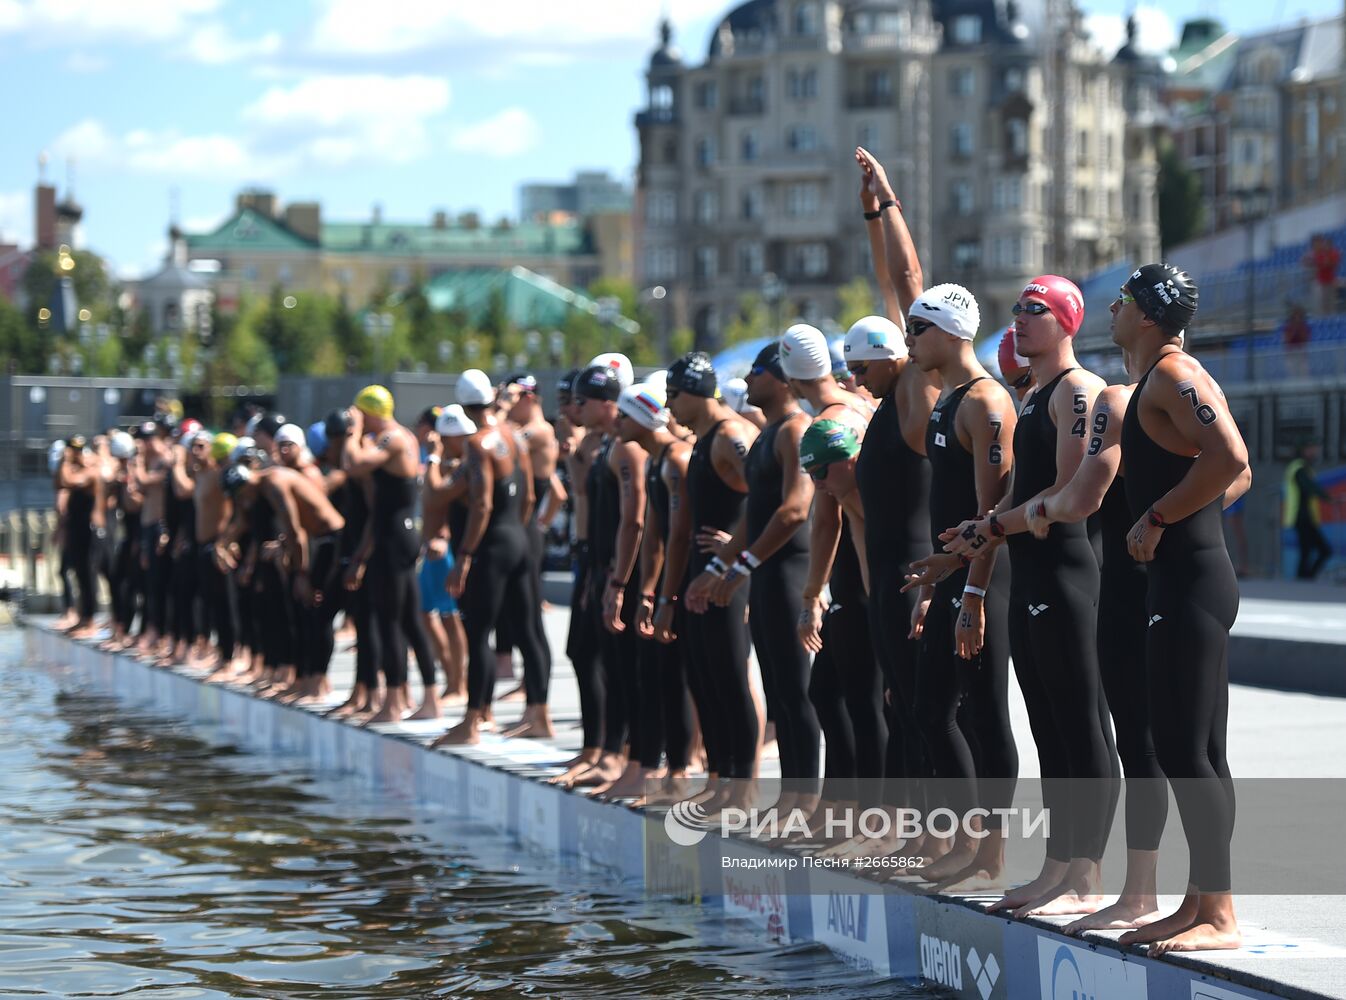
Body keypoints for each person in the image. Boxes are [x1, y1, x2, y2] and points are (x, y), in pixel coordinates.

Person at [947, 275, 1119, 917]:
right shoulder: (1036, 395)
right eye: (1016, 308)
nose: (1019, 318)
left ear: (1067, 321)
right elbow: (1025, 501)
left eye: (1035, 309)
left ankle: (1087, 871)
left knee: (1081, 727)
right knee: (1047, 728)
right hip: (1035, 576)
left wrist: (992, 526)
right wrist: (975, 538)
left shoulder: (1077, 391)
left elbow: (1070, 496)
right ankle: (1056, 863)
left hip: (1072, 576)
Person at [1112, 261, 1248, 954]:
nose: (1112, 308)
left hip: (1191, 579)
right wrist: (1179, 521)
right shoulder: (1160, 379)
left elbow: (1233, 454)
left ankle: (1218, 913)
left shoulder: (1172, 375)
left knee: (1181, 747)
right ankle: (1199, 902)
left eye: (1122, 299)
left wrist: (1161, 518)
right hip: (1184, 576)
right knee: (1197, 749)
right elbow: (1235, 472)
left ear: (1145, 313)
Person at [897, 282, 1018, 889]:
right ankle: (968, 840)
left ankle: (991, 855)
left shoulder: (985, 403)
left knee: (985, 716)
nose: (908, 341)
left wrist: (971, 594)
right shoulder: (947, 399)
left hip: (985, 581)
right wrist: (936, 583)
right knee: (930, 710)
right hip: (954, 578)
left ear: (949, 332)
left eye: (916, 329)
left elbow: (990, 512)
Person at [708, 342, 819, 818]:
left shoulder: (795, 430)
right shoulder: (766, 432)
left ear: (779, 376)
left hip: (789, 570)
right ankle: (791, 795)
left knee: (796, 690)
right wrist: (726, 562)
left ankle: (806, 797)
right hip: (766, 572)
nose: (748, 381)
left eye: (756, 372)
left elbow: (794, 509)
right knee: (776, 688)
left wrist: (743, 564)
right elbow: (756, 512)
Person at [434, 371, 549, 746]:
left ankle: (472, 722)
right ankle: (539, 715)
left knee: (478, 631)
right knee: (528, 630)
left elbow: (481, 504)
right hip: (519, 536)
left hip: (492, 545)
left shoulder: (479, 443)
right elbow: (529, 494)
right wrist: (519, 531)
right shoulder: (514, 435)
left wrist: (465, 555)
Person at [675, 351, 762, 814]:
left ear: (692, 393)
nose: (669, 407)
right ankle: (720, 777)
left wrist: (733, 550)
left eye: (672, 396)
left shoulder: (731, 434)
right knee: (705, 676)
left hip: (728, 576)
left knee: (729, 676)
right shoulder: (702, 437)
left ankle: (743, 785)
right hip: (702, 571)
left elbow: (766, 496)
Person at [344, 385, 442, 724]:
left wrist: (353, 431)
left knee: (394, 622)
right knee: (405, 620)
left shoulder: (393, 439)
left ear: (370, 412)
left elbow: (352, 464)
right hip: (389, 536)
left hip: (397, 539)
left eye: (359, 413)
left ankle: (397, 701)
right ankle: (416, 698)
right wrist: (361, 555)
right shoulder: (387, 440)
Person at [1284, 440, 1333, 580]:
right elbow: (1309, 487)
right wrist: (1327, 498)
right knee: (1322, 549)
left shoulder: (1302, 467)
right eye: (1313, 449)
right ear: (1304, 450)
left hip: (1305, 516)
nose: (1315, 452)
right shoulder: (1299, 468)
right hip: (1301, 516)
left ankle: (1304, 577)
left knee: (1307, 549)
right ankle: (1305, 577)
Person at [1302, 233, 1341, 317]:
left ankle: (1330, 321)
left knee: (1330, 305)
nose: (1318, 244)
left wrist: (1321, 263)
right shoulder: (1314, 254)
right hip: (1318, 281)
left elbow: (1332, 264)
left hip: (1329, 281)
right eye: (1316, 243)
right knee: (1319, 305)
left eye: (1320, 242)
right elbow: (1305, 262)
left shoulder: (1330, 252)